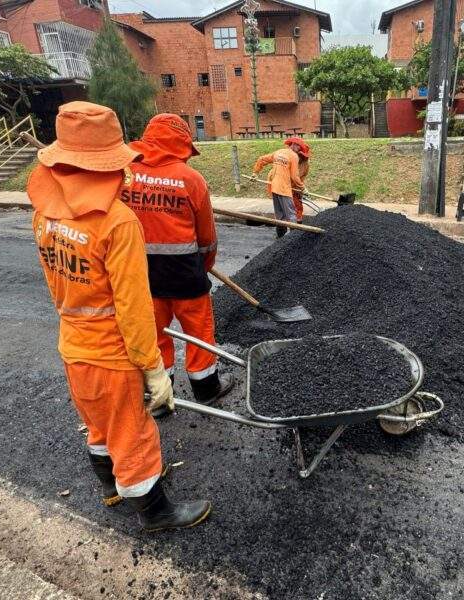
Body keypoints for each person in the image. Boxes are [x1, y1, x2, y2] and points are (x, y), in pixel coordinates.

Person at [28, 101, 210, 531]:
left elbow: (57, 284)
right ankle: (155, 510)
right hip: (113, 354)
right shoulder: (117, 222)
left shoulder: (46, 215)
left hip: (74, 347)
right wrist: (153, 370)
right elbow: (133, 308)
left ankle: (111, 487)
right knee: (134, 434)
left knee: (100, 426)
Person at [122, 113, 234, 412]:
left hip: (141, 275)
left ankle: (160, 397)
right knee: (198, 331)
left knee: (154, 334)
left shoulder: (124, 174)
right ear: (181, 144)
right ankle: (206, 388)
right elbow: (207, 236)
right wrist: (205, 264)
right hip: (185, 274)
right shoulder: (190, 179)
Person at [253, 138, 305, 237]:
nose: (299, 150)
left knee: (280, 215)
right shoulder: (294, 156)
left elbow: (262, 159)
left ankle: (280, 237)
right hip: (284, 189)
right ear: (293, 145)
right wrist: (302, 187)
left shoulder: (278, 152)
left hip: (274, 188)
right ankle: (294, 238)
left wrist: (255, 172)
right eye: (299, 147)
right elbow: (294, 176)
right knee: (291, 214)